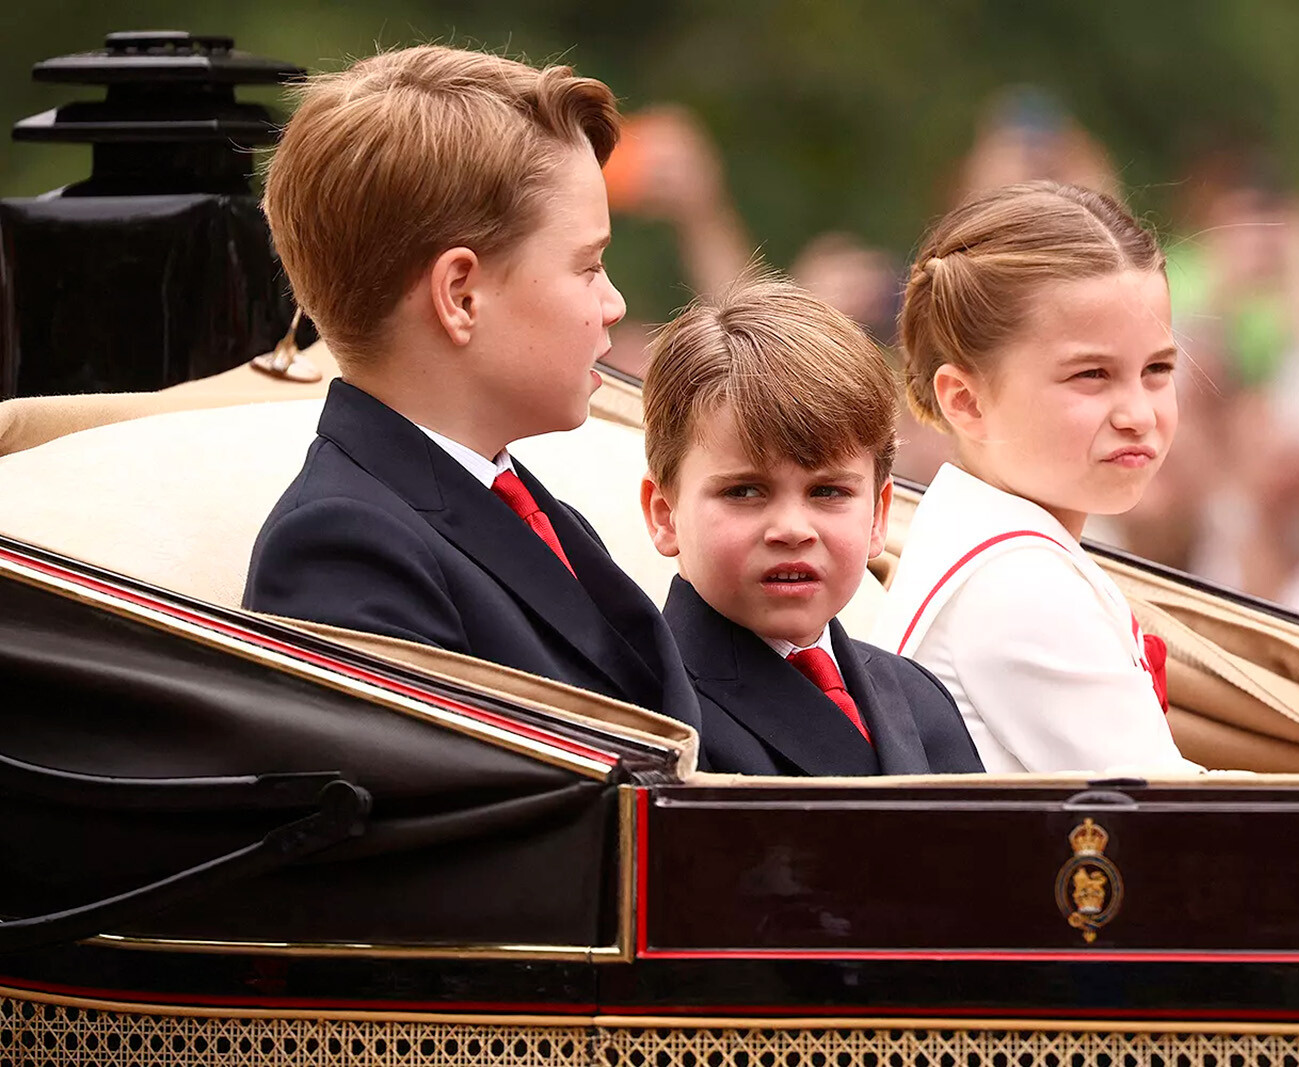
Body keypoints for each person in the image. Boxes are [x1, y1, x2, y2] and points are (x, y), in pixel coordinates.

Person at [244, 46, 699, 731]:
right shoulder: (343, 552)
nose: (613, 302)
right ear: (460, 295)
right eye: (588, 266)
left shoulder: (528, 510)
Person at [872, 181, 1197, 775]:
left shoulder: (984, 542)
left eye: (1157, 369)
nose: (1138, 414)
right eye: (1091, 375)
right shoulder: (1018, 585)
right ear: (966, 401)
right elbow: (1183, 822)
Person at [639, 276, 983, 775]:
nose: (792, 529)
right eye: (744, 491)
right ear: (664, 514)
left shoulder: (917, 695)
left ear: (877, 516)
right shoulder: (651, 711)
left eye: (828, 492)